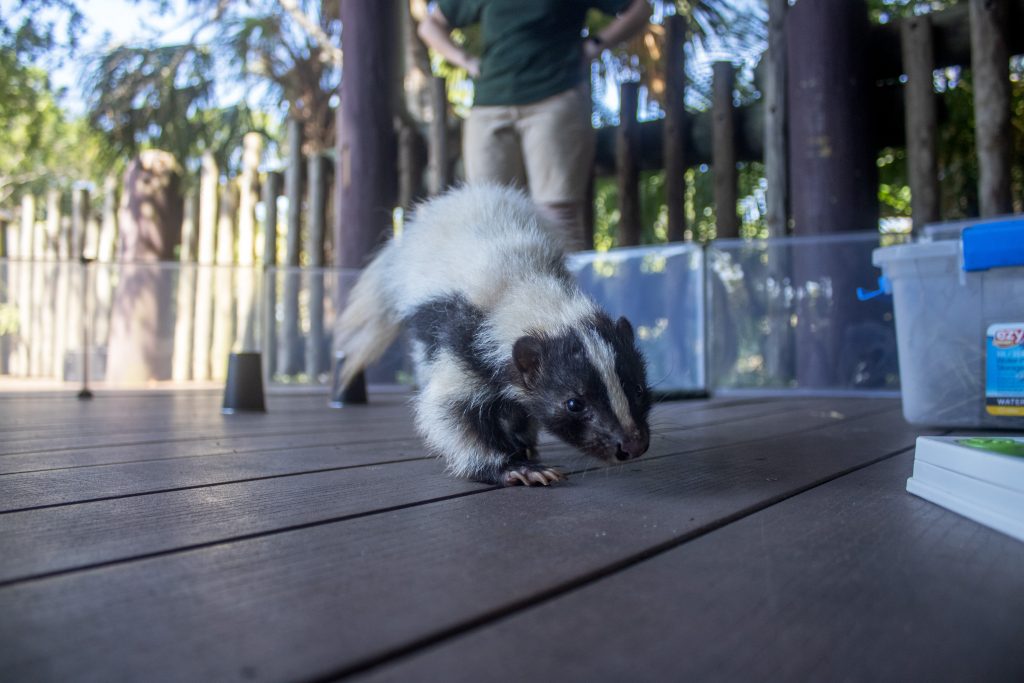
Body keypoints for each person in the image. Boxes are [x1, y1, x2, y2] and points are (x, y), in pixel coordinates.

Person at [418, 0, 652, 251]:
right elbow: (430, 26)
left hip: (555, 97)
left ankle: (558, 278)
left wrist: (595, 45)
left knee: (557, 213)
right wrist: (465, 60)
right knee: (488, 213)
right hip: (489, 104)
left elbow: (640, 8)